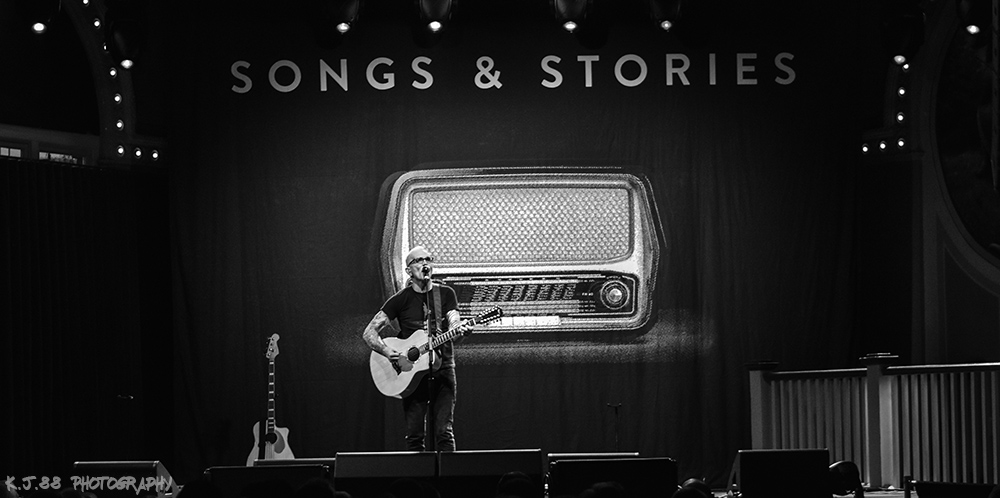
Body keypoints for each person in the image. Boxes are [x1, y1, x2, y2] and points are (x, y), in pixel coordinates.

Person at [363, 246, 464, 451]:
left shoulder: (445, 293)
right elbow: (369, 332)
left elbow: (454, 319)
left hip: (443, 368)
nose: (425, 263)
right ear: (408, 270)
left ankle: (448, 472)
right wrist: (386, 351)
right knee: (415, 435)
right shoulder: (400, 300)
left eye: (428, 259)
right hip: (411, 373)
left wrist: (458, 328)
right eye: (418, 260)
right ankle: (417, 472)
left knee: (444, 432)